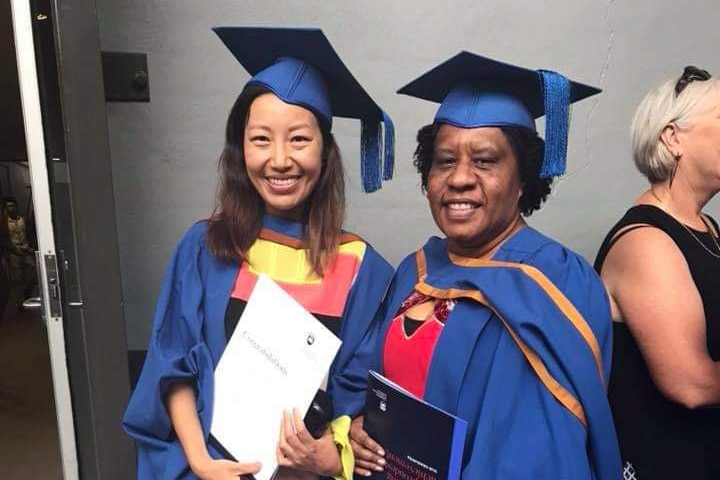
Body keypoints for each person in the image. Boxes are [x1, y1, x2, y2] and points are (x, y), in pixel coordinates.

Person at [122, 27, 395, 480]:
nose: (280, 159)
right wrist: (200, 460)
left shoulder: (360, 267)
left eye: (300, 140)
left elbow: (359, 400)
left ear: (325, 153)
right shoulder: (206, 247)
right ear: (240, 148)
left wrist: (329, 454)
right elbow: (173, 365)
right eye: (261, 139)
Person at [349, 52, 621, 479]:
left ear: (523, 179)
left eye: (484, 161)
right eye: (445, 160)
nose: (459, 178)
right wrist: (359, 425)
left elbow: (536, 455)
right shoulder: (417, 269)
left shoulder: (555, 280)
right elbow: (370, 380)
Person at [594, 67, 720, 480]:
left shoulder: (707, 229)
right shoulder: (646, 243)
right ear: (673, 137)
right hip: (666, 463)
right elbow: (690, 384)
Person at [4, 196, 35, 299]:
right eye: (8, 206)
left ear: (16, 207)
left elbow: (31, 234)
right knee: (18, 279)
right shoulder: (4, 223)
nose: (11, 208)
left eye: (13, 206)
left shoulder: (23, 219)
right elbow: (4, 240)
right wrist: (11, 249)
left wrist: (32, 247)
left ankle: (28, 295)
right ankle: (21, 302)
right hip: (14, 254)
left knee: (32, 277)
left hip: (27, 251)